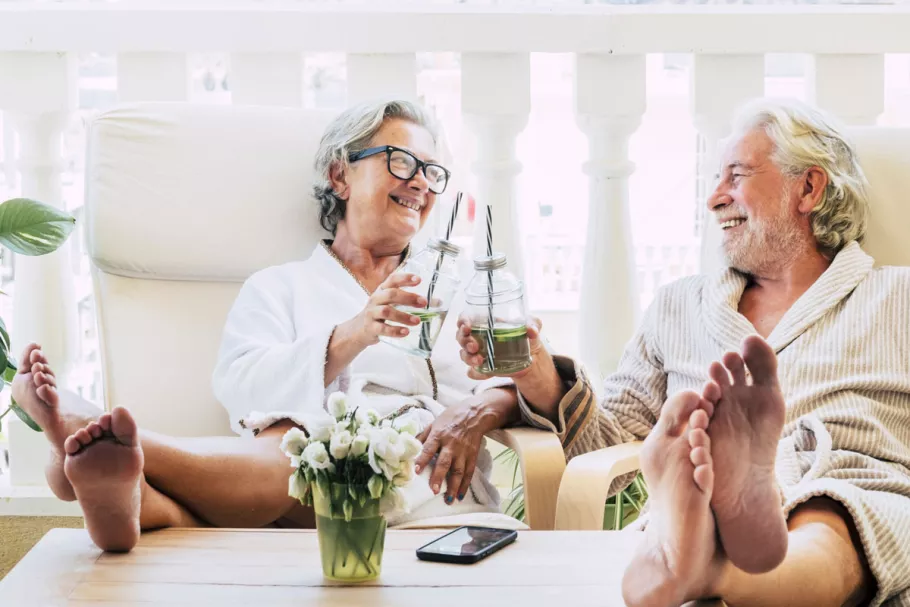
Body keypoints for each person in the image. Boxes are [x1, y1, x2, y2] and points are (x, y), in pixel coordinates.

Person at [11, 99, 524, 553]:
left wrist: (485, 405)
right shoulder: (278, 287)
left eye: (432, 171)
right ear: (339, 176)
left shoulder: (454, 289)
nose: (420, 181)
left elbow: (518, 382)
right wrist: (354, 333)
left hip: (422, 492)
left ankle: (113, 456)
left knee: (298, 456)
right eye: (401, 161)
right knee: (294, 441)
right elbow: (241, 387)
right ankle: (130, 496)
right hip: (296, 502)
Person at [454, 98, 910, 606]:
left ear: (809, 188)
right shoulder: (679, 306)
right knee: (690, 453)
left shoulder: (899, 297)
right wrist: (537, 373)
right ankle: (707, 518)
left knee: (830, 512)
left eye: (735, 176)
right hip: (701, 496)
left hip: (856, 485)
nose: (714, 199)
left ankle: (707, 563)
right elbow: (610, 446)